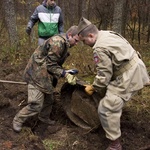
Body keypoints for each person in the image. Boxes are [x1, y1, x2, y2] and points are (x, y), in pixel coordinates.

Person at [77, 17, 150, 150]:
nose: (85, 44)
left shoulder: (99, 48)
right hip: (136, 66)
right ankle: (115, 114)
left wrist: (94, 87)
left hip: (128, 76)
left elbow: (104, 75)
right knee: (111, 97)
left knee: (106, 108)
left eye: (84, 40)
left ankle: (115, 145)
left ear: (91, 35)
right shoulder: (107, 33)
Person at [13, 26, 79, 133]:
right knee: (36, 104)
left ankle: (43, 118)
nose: (76, 44)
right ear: (70, 35)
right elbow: (50, 65)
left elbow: (53, 63)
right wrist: (64, 74)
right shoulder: (58, 43)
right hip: (36, 74)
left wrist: (67, 71)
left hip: (44, 74)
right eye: (76, 40)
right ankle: (18, 120)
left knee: (49, 100)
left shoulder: (64, 42)